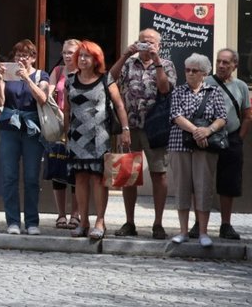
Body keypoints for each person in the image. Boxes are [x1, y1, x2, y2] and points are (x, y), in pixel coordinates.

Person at [110, 28, 175, 239]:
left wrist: (156, 61)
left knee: (159, 173)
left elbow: (165, 89)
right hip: (130, 125)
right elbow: (110, 79)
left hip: (156, 128)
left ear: (159, 45)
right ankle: (129, 222)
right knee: (127, 175)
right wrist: (125, 54)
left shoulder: (166, 65)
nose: (146, 45)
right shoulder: (129, 63)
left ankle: (158, 223)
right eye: (142, 41)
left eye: (150, 42)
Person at [66, 40, 129, 240]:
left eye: (88, 56)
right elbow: (67, 109)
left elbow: (119, 105)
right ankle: (83, 221)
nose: (83, 59)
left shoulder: (105, 79)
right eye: (81, 55)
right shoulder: (70, 79)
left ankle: (100, 221)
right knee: (80, 179)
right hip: (76, 136)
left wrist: (125, 129)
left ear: (96, 60)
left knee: (98, 179)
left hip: (98, 136)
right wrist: (65, 133)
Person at [169, 53, 228, 246]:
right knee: (182, 186)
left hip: (206, 145)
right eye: (187, 70)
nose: (190, 74)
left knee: (203, 186)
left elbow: (222, 117)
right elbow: (176, 115)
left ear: (204, 73)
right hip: (180, 143)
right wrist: (196, 131)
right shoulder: (178, 91)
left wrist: (208, 131)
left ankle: (203, 232)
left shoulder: (214, 92)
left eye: (195, 70)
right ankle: (183, 231)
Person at [0, 39, 50, 235]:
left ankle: (32, 222)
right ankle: (12, 221)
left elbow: (42, 98)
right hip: (8, 126)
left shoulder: (41, 75)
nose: (20, 59)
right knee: (9, 176)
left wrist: (27, 78)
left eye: (25, 56)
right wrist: (0, 80)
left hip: (32, 128)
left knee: (31, 177)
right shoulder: (9, 75)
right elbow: (0, 101)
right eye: (18, 55)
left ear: (33, 58)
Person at [205, 48, 250, 240]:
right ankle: (199, 224)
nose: (221, 66)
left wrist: (239, 136)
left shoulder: (241, 86)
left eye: (226, 62)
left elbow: (247, 115)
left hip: (231, 138)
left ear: (235, 65)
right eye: (219, 62)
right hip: (206, 138)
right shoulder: (205, 82)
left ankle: (226, 224)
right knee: (202, 182)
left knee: (228, 183)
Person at [46, 39, 81, 230]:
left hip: (79, 127)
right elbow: (49, 95)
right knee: (58, 170)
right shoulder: (58, 71)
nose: (67, 56)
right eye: (65, 52)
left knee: (77, 172)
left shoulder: (85, 72)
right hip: (59, 126)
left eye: (71, 52)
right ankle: (60, 215)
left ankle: (76, 214)